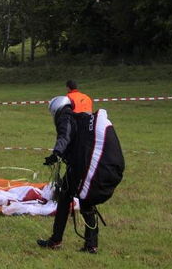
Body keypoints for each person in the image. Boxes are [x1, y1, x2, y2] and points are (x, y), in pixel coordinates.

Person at [37, 96, 101, 254]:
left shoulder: (64, 117)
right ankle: (91, 245)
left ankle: (56, 240)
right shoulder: (74, 116)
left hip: (78, 167)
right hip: (86, 165)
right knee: (86, 202)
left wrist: (56, 153)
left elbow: (65, 136)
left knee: (65, 200)